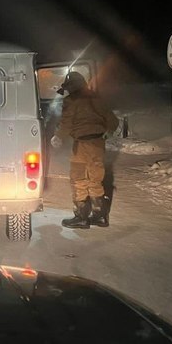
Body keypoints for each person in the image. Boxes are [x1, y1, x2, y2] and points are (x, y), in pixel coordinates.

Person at [50, 71, 118, 229]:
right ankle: (100, 216)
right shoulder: (98, 98)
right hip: (97, 144)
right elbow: (113, 121)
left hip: (82, 145)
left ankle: (81, 217)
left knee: (78, 179)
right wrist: (107, 133)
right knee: (95, 178)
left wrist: (58, 136)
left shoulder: (72, 100)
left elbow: (66, 122)